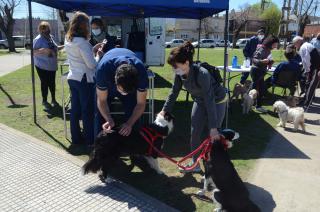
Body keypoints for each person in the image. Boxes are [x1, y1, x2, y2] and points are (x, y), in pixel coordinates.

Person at [160, 42, 227, 173]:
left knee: (213, 135)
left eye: (175, 66)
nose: (174, 69)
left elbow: (210, 100)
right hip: (200, 100)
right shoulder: (179, 74)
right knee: (195, 131)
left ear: (186, 63)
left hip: (217, 101)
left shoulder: (202, 74)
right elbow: (174, 92)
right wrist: (165, 110)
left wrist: (213, 127)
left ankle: (213, 167)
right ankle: (195, 163)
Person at [65, 11, 101, 146]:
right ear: (84, 25)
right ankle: (89, 140)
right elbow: (92, 64)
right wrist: (98, 55)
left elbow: (81, 57)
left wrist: (92, 50)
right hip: (83, 79)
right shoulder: (83, 43)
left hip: (73, 77)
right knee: (87, 111)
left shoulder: (69, 40)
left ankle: (76, 139)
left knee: (75, 110)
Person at [95, 48, 148, 137]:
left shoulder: (141, 72)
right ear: (115, 81)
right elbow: (102, 100)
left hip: (128, 73)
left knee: (133, 113)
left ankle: (132, 144)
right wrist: (108, 119)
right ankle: (99, 145)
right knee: (100, 116)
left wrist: (129, 123)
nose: (124, 93)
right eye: (122, 90)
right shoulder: (103, 70)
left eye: (127, 91)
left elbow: (141, 103)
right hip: (108, 69)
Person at [33, 21, 64, 111]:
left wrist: (66, 45)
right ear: (40, 29)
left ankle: (53, 100)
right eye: (44, 28)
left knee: (52, 83)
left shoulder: (51, 37)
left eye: (47, 28)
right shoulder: (38, 39)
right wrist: (43, 50)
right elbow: (33, 52)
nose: (46, 30)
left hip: (51, 65)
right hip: (42, 66)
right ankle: (44, 101)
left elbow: (56, 48)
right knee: (45, 83)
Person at [250, 35, 279, 113]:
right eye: (275, 44)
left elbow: (265, 60)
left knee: (260, 89)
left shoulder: (268, 50)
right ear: (270, 43)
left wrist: (270, 62)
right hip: (256, 71)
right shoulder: (261, 48)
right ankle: (249, 104)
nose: (276, 46)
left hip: (261, 72)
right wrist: (262, 61)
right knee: (254, 90)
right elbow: (254, 60)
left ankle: (256, 105)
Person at [293, 36, 320, 109]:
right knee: (309, 84)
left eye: (295, 44)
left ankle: (306, 103)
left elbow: (306, 60)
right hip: (314, 67)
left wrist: (307, 71)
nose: (295, 46)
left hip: (316, 67)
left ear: (298, 42)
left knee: (312, 85)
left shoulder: (303, 47)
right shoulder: (306, 45)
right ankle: (306, 100)